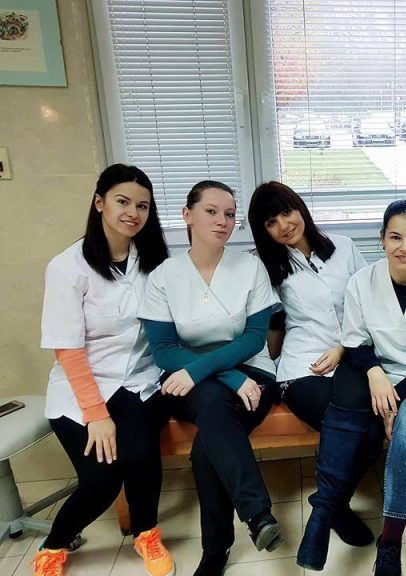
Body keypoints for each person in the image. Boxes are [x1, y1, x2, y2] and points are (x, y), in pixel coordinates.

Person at [299, 199, 406, 575]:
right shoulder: (362, 281)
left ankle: (391, 543)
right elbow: (355, 343)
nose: (405, 247)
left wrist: (393, 403)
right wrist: (374, 373)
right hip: (384, 380)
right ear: (382, 239)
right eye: (396, 237)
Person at [138, 181, 282, 576]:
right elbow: (163, 349)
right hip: (186, 376)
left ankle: (217, 549)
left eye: (230, 214)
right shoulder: (164, 276)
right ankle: (257, 514)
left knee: (208, 445)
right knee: (213, 402)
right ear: (187, 215)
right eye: (212, 211)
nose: (223, 221)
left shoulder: (250, 267)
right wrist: (227, 376)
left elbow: (254, 339)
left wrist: (227, 373)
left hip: (252, 371)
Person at [37, 164, 174, 576]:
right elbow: (68, 349)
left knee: (142, 456)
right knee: (102, 480)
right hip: (81, 388)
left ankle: (146, 534)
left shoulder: (153, 261)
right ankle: (53, 546)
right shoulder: (68, 267)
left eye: (142, 206)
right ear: (99, 203)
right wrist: (96, 414)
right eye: (122, 202)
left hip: (137, 380)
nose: (133, 213)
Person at [247, 181, 374, 548]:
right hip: (302, 368)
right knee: (347, 426)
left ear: (300, 208)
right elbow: (272, 324)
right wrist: (263, 368)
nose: (284, 225)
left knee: (371, 431)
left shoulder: (344, 248)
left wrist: (343, 349)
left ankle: (329, 503)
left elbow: (370, 302)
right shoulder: (267, 267)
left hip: (351, 357)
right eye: (271, 222)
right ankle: (335, 506)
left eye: (287, 212)